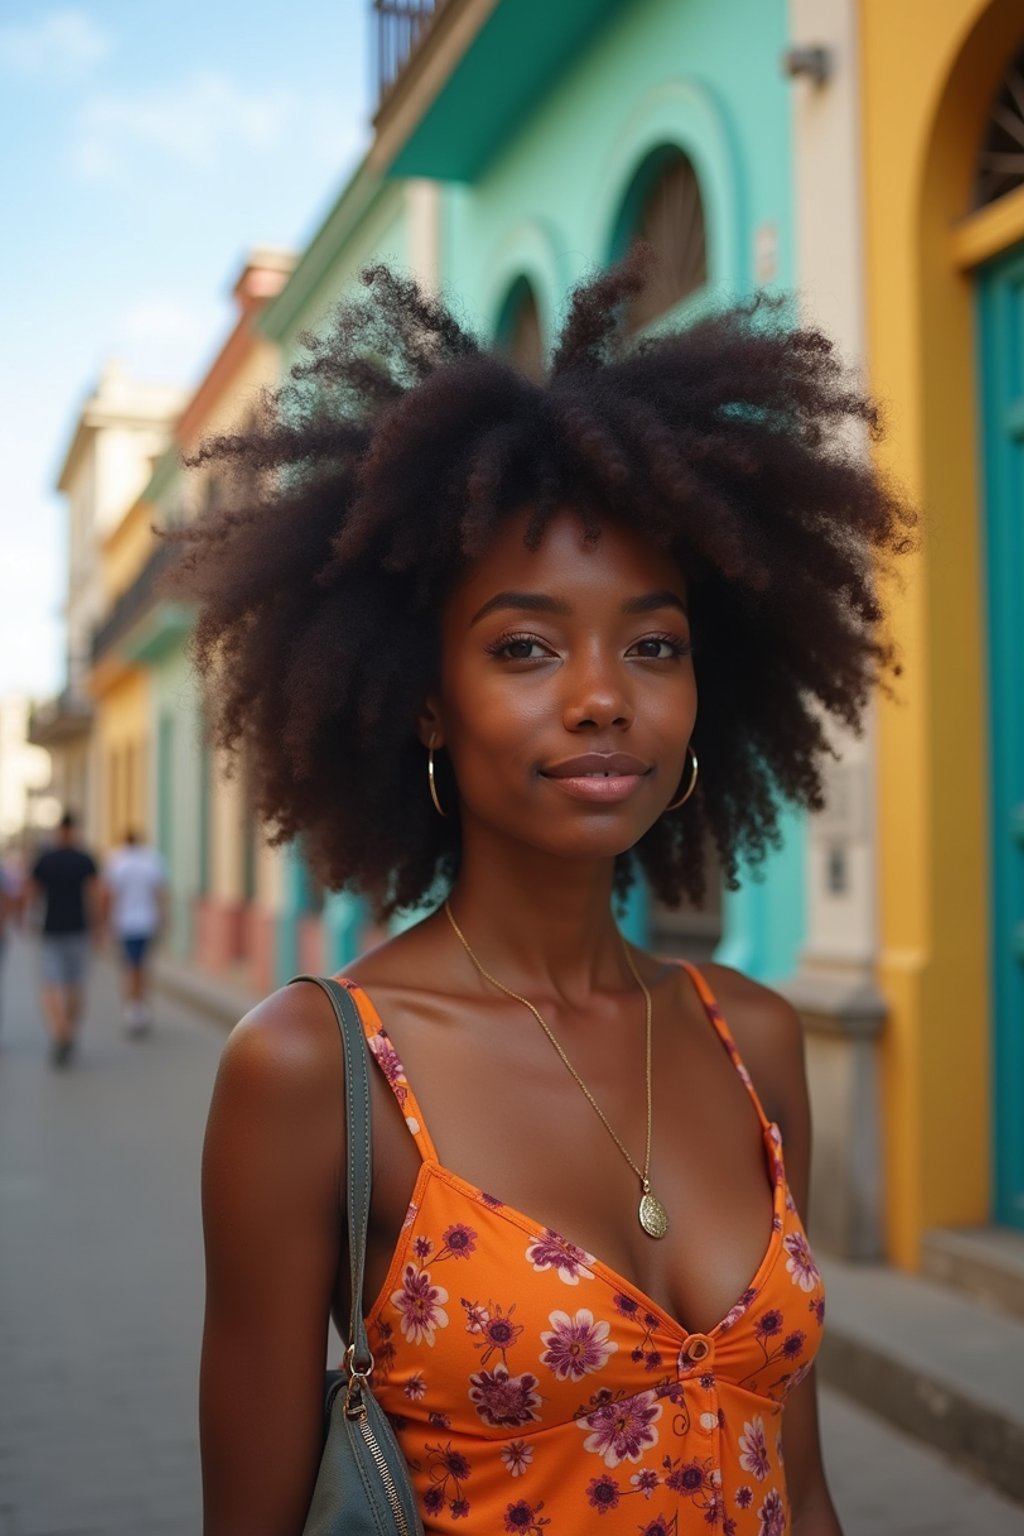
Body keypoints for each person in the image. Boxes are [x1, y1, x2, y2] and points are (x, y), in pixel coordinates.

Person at [187, 257, 914, 1535]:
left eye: (653, 645)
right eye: (525, 646)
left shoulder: (753, 1040)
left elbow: (799, 1487)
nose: (601, 696)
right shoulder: (317, 1066)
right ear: (423, 696)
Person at [29, 811, 98, 1067]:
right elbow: (94, 893)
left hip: (52, 930)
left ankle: (61, 1031)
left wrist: (26, 919)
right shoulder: (84, 859)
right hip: (78, 930)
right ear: (75, 830)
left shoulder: (46, 859)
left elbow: (32, 891)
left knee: (51, 986)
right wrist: (99, 927)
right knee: (74, 985)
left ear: (59, 830)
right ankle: (68, 1031)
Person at [101, 828, 167, 1036]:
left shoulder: (116, 861)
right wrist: (163, 918)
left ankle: (133, 1009)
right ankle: (140, 1006)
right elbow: (160, 893)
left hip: (125, 923)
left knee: (130, 966)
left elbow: (109, 894)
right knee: (143, 965)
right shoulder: (152, 860)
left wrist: (105, 922)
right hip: (146, 921)